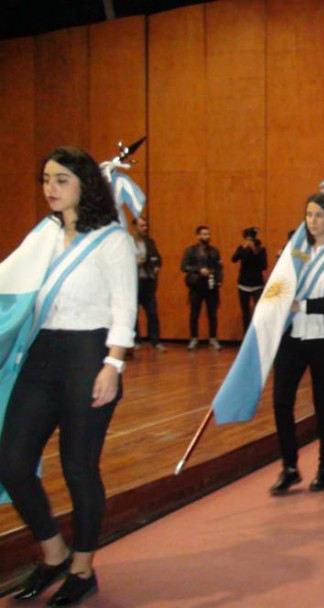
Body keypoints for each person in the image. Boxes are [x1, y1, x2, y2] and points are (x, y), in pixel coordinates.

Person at [0, 146, 137, 605]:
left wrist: (112, 365)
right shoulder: (44, 236)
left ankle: (82, 569)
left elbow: (124, 307)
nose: (50, 189)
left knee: (79, 469)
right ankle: (54, 554)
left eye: (61, 180)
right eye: (45, 179)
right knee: (12, 462)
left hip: (89, 355)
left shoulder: (111, 239)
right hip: (41, 357)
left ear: (84, 184)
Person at [270, 194, 324, 495]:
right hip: (292, 338)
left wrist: (302, 305)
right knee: (281, 402)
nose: (313, 221)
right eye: (308, 215)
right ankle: (290, 467)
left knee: (323, 405)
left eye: (319, 215)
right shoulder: (296, 252)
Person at [181, 226, 223, 350]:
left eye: (208, 234)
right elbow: (184, 267)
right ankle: (194, 338)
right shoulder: (190, 251)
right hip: (196, 286)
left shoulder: (214, 251)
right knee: (194, 313)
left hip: (211, 286)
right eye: (204, 234)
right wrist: (199, 270)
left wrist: (219, 281)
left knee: (212, 313)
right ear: (198, 236)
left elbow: (219, 268)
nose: (207, 236)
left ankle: (213, 338)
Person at [132, 217, 164, 351]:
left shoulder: (149, 242)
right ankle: (136, 341)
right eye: (142, 226)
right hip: (134, 282)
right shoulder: (128, 242)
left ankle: (155, 341)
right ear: (134, 227)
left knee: (152, 312)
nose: (145, 228)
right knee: (133, 313)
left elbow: (158, 258)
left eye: (146, 226)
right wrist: (134, 263)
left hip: (148, 281)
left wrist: (156, 266)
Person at [231, 227, 267, 333]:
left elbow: (264, 266)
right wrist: (244, 249)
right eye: (247, 239)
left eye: (251, 239)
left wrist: (255, 250)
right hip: (243, 285)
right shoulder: (242, 248)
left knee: (259, 311)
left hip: (257, 285)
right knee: (245, 313)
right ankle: (246, 335)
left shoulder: (261, 249)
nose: (249, 241)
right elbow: (234, 259)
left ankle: (257, 334)